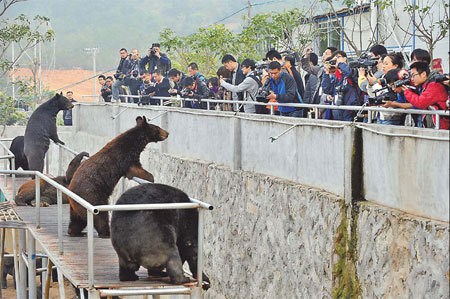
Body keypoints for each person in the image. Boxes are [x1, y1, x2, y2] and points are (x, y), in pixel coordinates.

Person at [402, 61, 449, 129]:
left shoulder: (434, 85)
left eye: (413, 75)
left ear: (423, 74)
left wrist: (407, 92)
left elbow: (420, 102)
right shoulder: (428, 82)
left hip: (440, 125)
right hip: (436, 123)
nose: (412, 79)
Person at [321, 51, 359, 121]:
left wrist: (339, 64)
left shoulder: (352, 70)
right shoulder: (337, 76)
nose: (336, 60)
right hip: (337, 110)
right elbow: (327, 89)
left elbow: (349, 73)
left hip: (349, 111)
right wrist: (326, 72)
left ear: (345, 58)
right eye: (334, 59)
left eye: (338, 57)